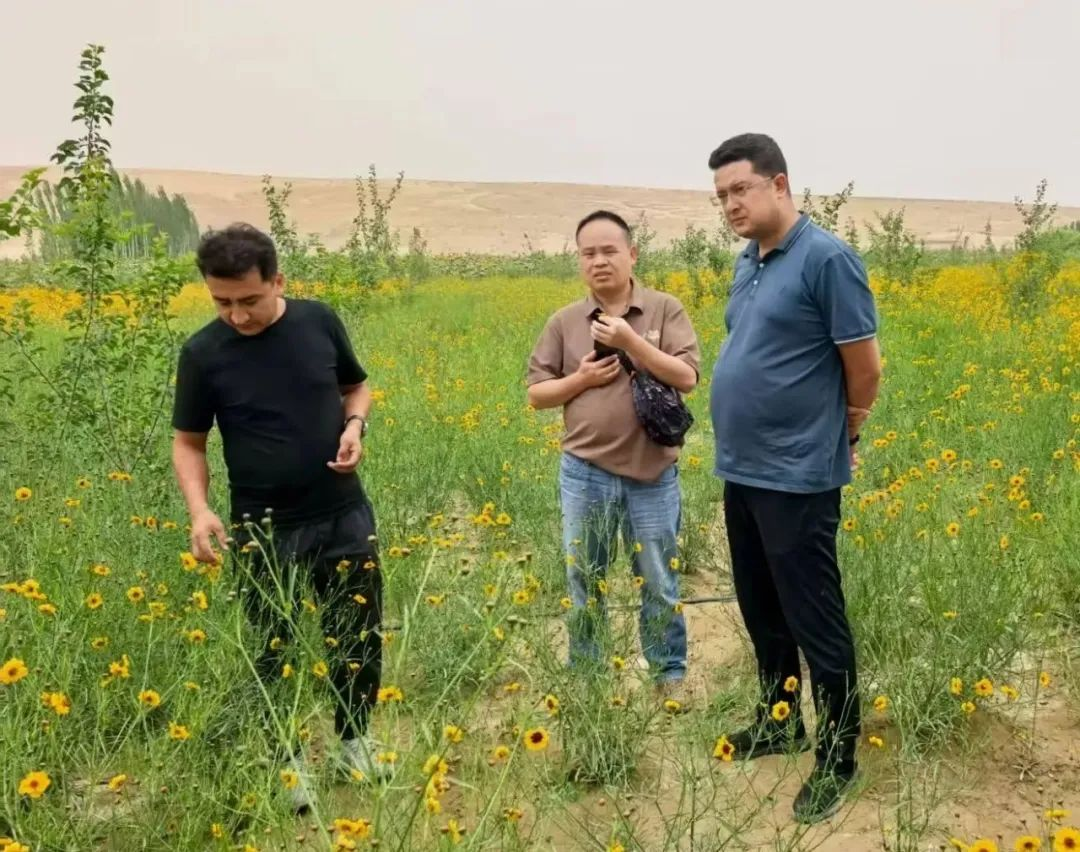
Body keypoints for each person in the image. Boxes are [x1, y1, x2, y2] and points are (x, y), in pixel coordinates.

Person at [171, 223, 389, 812]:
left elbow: (357, 388)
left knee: (357, 633)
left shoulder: (319, 322)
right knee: (274, 648)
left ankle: (354, 743)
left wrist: (355, 425)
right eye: (222, 302)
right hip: (263, 528)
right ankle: (288, 763)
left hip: (343, 512)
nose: (236, 315)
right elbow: (188, 442)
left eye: (249, 300)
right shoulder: (202, 354)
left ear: (278, 281)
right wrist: (199, 511)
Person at [706, 133, 882, 824]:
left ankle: (839, 757)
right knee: (762, 608)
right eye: (721, 195)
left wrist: (846, 434)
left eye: (740, 189)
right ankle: (780, 721)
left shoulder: (827, 258)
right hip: (743, 470)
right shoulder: (749, 261)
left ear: (779, 184)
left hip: (799, 476)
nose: (730, 204)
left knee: (815, 618)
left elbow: (864, 366)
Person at [526, 210, 701, 708]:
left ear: (632, 255)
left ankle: (668, 672)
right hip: (585, 473)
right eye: (589, 253)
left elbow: (687, 378)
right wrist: (580, 379)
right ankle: (588, 674)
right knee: (585, 577)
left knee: (659, 579)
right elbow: (537, 394)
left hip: (653, 472)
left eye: (609, 250)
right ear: (579, 260)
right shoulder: (564, 321)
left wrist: (629, 341)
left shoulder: (664, 309)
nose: (599, 261)